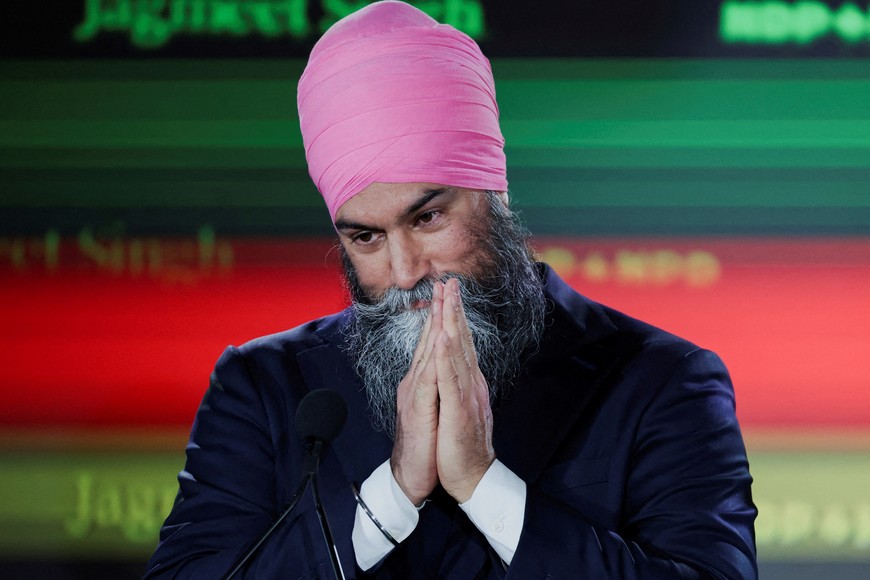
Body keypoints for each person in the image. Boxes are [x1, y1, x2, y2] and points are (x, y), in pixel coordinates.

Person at [144, 2, 757, 578]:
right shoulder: (266, 388)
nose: (406, 270)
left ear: (496, 193)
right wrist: (390, 495)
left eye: (428, 218)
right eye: (366, 238)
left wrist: (484, 484)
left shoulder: (662, 381)